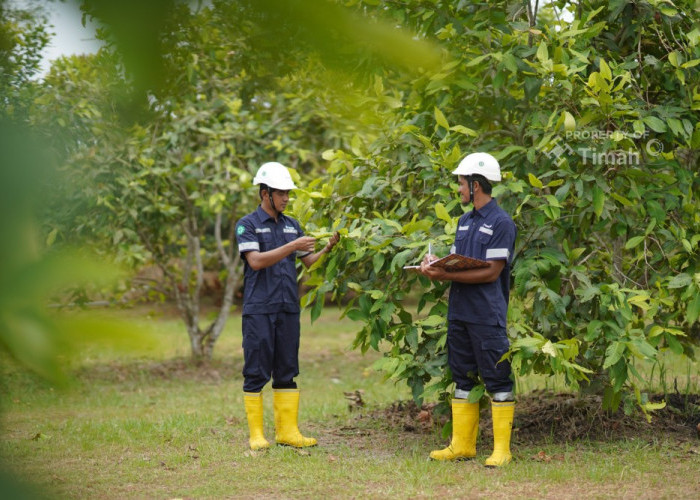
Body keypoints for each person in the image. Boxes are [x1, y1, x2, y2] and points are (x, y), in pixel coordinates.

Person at [419, 152, 517, 467]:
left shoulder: (502, 222)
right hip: (459, 313)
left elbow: (491, 272)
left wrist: (445, 273)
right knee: (463, 378)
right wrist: (435, 266)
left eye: (461, 184)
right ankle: (462, 445)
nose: (459, 190)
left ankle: (502, 450)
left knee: (497, 378)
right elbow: (457, 264)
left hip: (487, 315)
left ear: (476, 185)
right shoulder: (463, 222)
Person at [235, 161, 340, 450]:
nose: (286, 198)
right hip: (259, 308)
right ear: (265, 193)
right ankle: (257, 435)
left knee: (287, 369)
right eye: (281, 193)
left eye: (288, 194)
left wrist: (327, 249)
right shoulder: (248, 225)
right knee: (256, 370)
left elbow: (308, 262)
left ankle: (287, 432)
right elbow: (255, 261)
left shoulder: (293, 225)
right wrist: (292, 247)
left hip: (287, 308)